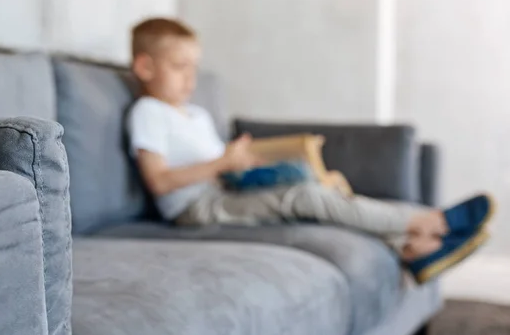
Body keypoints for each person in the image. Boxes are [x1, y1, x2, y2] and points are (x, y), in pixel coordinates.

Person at [126, 17, 495, 284]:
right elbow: (159, 181)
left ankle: (412, 245)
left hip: (224, 190)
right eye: (179, 67)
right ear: (144, 66)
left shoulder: (196, 114)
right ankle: (430, 223)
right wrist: (223, 161)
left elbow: (215, 164)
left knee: (323, 187)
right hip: (196, 208)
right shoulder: (148, 113)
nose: (191, 78)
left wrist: (243, 162)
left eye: (194, 67)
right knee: (305, 198)